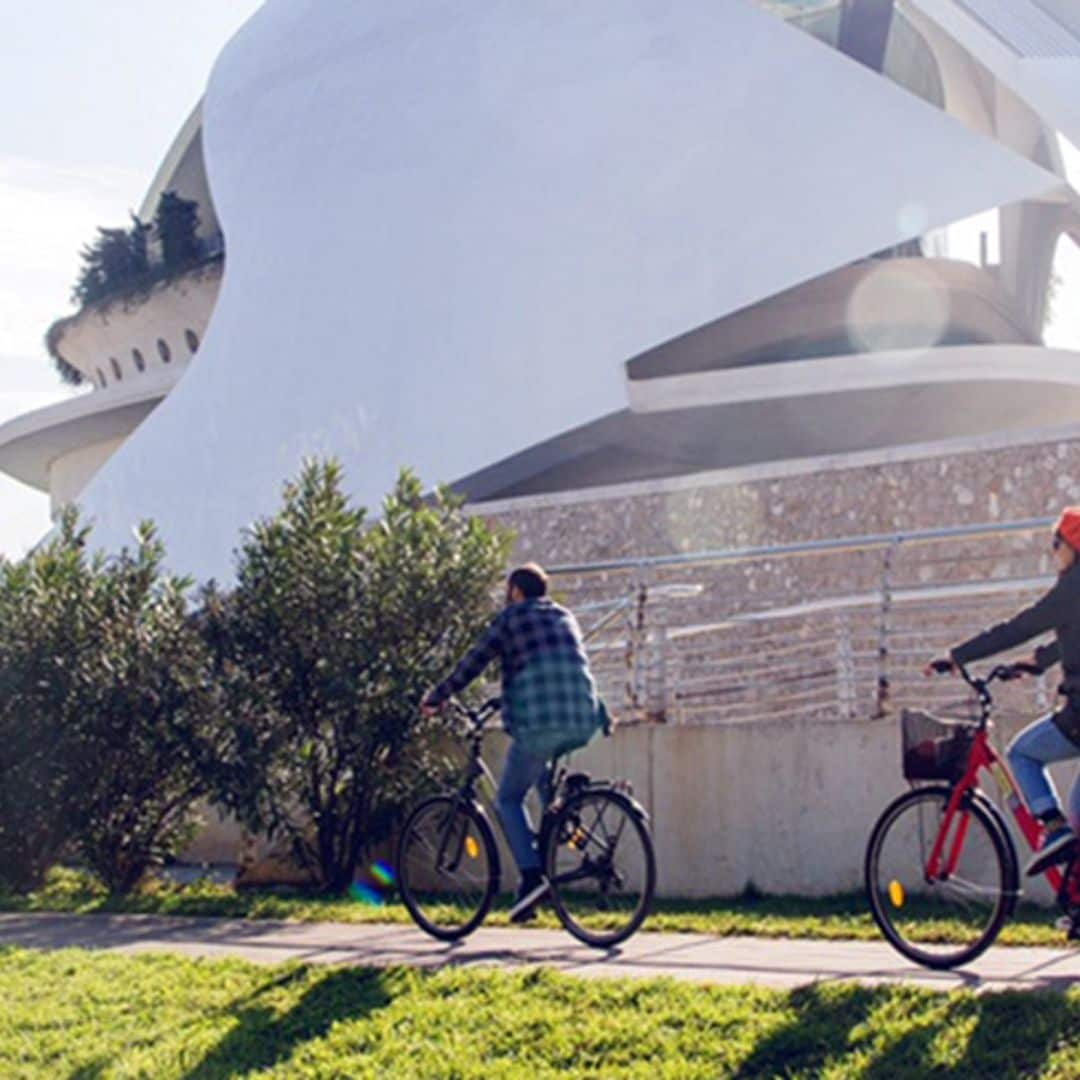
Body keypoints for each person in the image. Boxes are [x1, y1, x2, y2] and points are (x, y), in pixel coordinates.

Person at [421, 563, 608, 922]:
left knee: (508, 798)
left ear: (516, 591)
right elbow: (564, 667)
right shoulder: (564, 616)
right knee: (542, 785)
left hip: (539, 723)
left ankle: (533, 878)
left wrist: (438, 696)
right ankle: (563, 826)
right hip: (582, 718)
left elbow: (474, 661)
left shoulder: (511, 619)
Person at [926, 507, 1080, 878]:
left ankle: (1051, 827)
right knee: (1079, 820)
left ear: (1074, 546)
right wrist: (1037, 662)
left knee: (1022, 752)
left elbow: (1017, 628)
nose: (1052, 551)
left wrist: (957, 656)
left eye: (1055, 543)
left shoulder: (1071, 588)